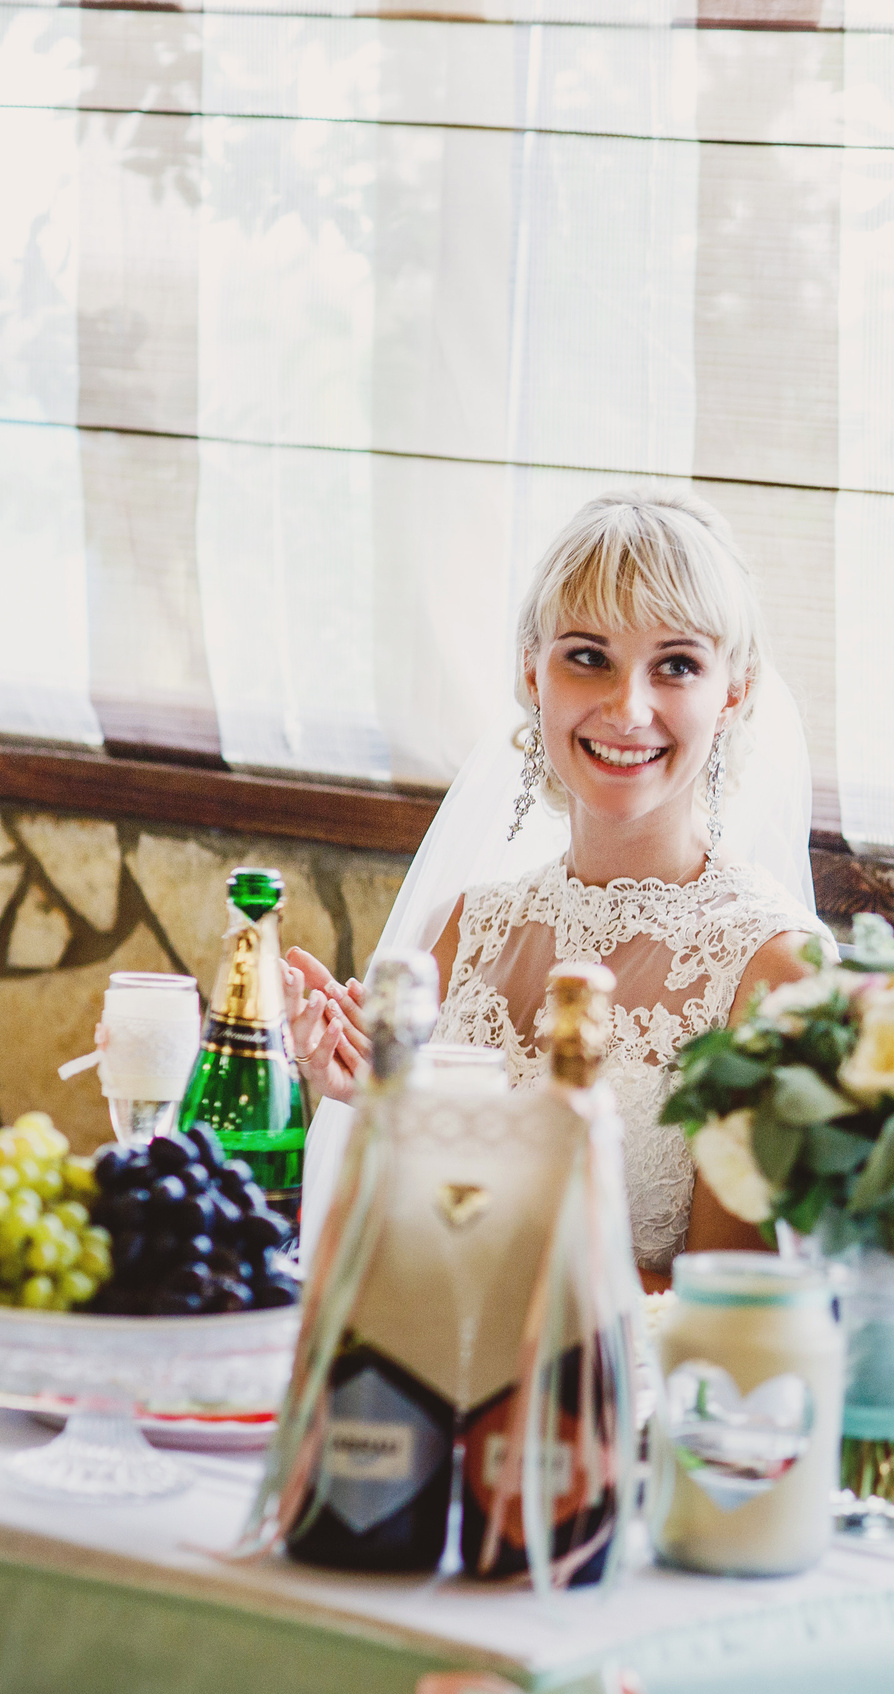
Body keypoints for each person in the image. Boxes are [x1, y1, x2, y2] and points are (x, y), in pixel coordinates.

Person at [283, 490, 825, 1285]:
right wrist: (366, 1107)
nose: (627, 707)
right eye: (587, 656)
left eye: (675, 665)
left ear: (734, 690)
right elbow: (386, 1247)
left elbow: (719, 1310)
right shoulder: (463, 931)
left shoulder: (776, 970)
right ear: (532, 673)